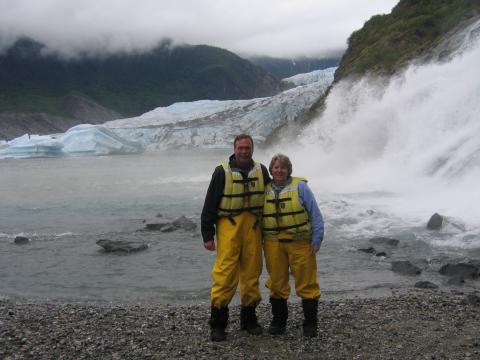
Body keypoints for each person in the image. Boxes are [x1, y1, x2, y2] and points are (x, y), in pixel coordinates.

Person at [201, 134, 271, 342]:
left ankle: (248, 319)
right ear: (234, 149)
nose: (243, 151)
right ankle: (218, 323)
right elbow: (210, 204)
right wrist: (207, 235)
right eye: (240, 148)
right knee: (225, 274)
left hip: (253, 227)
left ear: (252, 149)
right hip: (228, 227)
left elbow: (271, 199)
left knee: (252, 273)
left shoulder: (261, 170)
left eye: (247, 148)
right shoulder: (222, 171)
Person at [262, 153, 324, 337]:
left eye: (283, 167)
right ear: (271, 170)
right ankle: (279, 321)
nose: (279, 170)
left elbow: (315, 213)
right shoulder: (264, 190)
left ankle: (310, 323)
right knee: (277, 283)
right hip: (273, 242)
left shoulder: (301, 187)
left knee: (307, 283)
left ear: (289, 170)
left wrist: (317, 239)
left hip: (300, 242)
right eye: (276, 167)